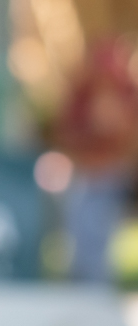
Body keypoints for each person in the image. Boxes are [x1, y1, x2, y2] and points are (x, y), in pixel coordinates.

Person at [53, 36, 138, 283]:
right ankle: (85, 287)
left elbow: (128, 140)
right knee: (80, 235)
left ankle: (96, 291)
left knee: (99, 238)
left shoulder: (127, 94)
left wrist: (116, 125)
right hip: (85, 174)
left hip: (112, 175)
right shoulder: (81, 94)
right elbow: (65, 133)